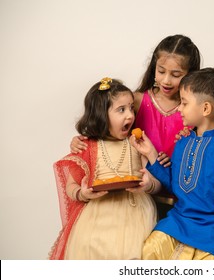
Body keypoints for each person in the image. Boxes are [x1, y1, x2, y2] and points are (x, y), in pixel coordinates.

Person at [70, 35, 201, 219]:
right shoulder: (137, 101)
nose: (166, 80)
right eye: (161, 71)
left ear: (191, 74)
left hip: (181, 199)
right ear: (153, 67)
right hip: (140, 198)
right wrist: (84, 139)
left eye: (176, 75)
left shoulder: (192, 109)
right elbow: (112, 132)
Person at [130, 68, 214, 260]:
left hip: (213, 228)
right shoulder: (183, 142)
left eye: (184, 103)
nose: (179, 108)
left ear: (206, 109)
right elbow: (175, 184)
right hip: (178, 221)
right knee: (150, 250)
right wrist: (150, 153)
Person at [49, 78, 160, 260]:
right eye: (121, 110)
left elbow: (154, 181)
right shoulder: (88, 147)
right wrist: (82, 193)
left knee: (135, 253)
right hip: (97, 216)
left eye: (131, 107)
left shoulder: (136, 143)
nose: (130, 115)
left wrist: (149, 185)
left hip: (135, 213)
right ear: (101, 114)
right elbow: (71, 186)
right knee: (90, 248)